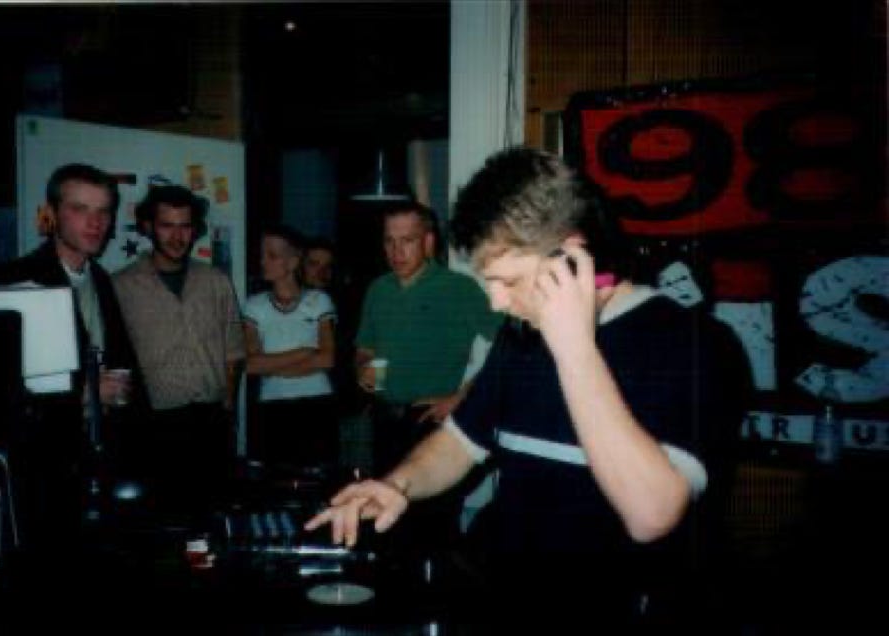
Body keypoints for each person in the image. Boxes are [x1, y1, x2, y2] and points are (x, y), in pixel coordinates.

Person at [307, 148, 751, 630]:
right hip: (509, 599)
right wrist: (398, 485)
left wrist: (575, 349)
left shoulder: (692, 343)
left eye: (509, 281)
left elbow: (651, 514)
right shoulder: (520, 338)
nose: (497, 302)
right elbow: (459, 441)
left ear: (571, 258)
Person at [0, 163, 147, 549]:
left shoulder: (100, 279)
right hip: (40, 473)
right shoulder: (17, 281)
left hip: (96, 462)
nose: (95, 222)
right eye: (80, 209)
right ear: (52, 214)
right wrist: (84, 392)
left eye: (103, 211)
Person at [352, 202, 503, 552]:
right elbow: (365, 349)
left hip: (432, 423)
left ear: (429, 242)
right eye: (389, 241)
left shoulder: (459, 289)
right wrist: (364, 368)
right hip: (385, 421)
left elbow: (512, 346)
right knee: (384, 524)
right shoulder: (378, 289)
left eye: (407, 240)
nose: (396, 251)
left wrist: (463, 396)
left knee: (432, 531)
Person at [112, 184, 244, 516]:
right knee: (161, 520)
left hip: (211, 424)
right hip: (152, 429)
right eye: (166, 225)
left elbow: (233, 352)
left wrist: (227, 410)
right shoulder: (121, 286)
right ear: (148, 227)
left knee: (213, 517)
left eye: (184, 226)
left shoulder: (216, 282)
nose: (177, 236)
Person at [243, 224, 337, 471]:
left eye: (272, 256)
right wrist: (304, 353)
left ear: (293, 262)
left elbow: (327, 359)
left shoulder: (319, 301)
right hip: (271, 406)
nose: (263, 261)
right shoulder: (254, 306)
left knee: (316, 478)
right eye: (262, 255)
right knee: (274, 476)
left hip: (316, 404)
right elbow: (251, 364)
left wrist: (272, 366)